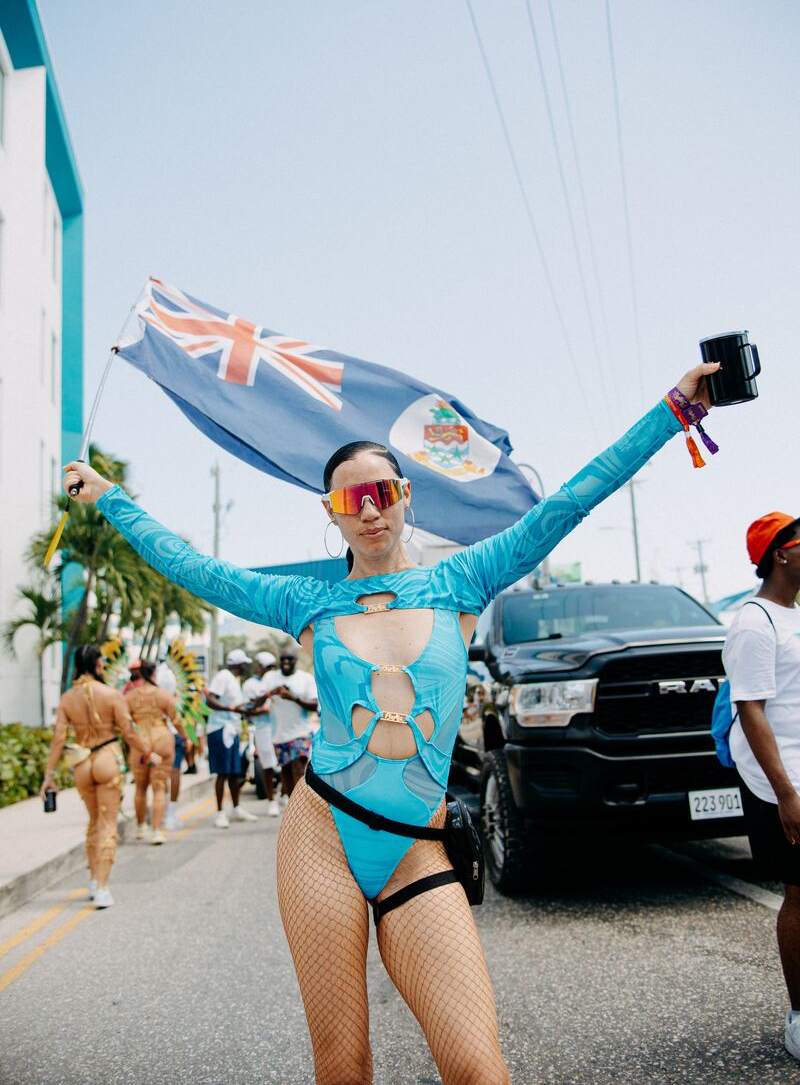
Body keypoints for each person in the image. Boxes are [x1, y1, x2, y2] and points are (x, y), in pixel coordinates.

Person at [63, 363, 718, 1084]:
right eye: (352, 499)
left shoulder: (462, 579)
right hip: (322, 836)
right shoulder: (304, 601)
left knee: (478, 1069)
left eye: (383, 493)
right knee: (343, 1068)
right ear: (332, 512)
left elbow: (571, 500)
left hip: (419, 847)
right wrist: (109, 497)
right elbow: (192, 567)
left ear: (406, 495)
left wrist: (674, 410)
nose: (370, 511)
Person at [723, 511, 800, 1061]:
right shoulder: (754, 622)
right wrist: (786, 795)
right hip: (783, 779)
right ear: (781, 553)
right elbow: (751, 710)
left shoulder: (793, 615)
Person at [40, 644, 161, 909]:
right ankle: (103, 888)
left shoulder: (67, 698)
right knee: (107, 824)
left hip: (82, 762)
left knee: (94, 822)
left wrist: (49, 775)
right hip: (107, 758)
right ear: (97, 664)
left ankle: (94, 880)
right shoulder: (111, 695)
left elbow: (59, 739)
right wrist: (148, 753)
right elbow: (128, 732)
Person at [126, 659, 189, 844]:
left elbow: (124, 722)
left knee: (140, 787)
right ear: (154, 674)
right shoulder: (164, 695)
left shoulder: (130, 696)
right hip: (161, 739)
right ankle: (157, 830)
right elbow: (176, 721)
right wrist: (186, 738)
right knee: (159, 787)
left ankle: (140, 827)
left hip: (140, 743)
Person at [205, 648, 258, 829]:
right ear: (239, 664)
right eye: (244, 664)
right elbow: (210, 700)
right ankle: (220, 813)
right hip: (220, 729)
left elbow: (236, 706)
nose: (245, 667)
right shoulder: (223, 676)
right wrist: (230, 709)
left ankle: (236, 809)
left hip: (232, 730)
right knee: (222, 773)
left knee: (235, 772)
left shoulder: (233, 680)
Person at [266, 649, 317, 803]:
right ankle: (292, 807)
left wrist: (293, 698)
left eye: (290, 659)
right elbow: (258, 700)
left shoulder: (305, 678)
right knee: (286, 771)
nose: (286, 662)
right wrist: (271, 692)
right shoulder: (270, 677)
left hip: (300, 732)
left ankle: (302, 805)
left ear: (296, 660)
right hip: (279, 734)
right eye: (283, 659)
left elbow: (314, 705)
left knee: (298, 768)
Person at [242, 651, 280, 816]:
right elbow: (247, 708)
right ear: (259, 667)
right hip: (262, 727)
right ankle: (271, 801)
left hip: (281, 727)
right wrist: (263, 710)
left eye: (273, 667)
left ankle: (284, 795)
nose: (271, 670)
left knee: (286, 763)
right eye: (268, 667)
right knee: (267, 764)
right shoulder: (250, 685)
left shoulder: (278, 680)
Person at [154, 656, 189, 831]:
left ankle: (161, 815)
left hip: (157, 735)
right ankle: (170, 813)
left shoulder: (154, 685)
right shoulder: (171, 682)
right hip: (173, 734)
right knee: (174, 773)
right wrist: (186, 737)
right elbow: (176, 717)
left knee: (160, 776)